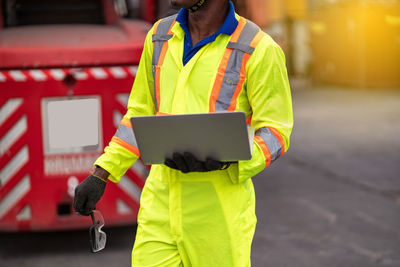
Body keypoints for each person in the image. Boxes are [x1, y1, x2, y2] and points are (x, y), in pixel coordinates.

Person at [73, 0, 293, 265]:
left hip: (217, 218)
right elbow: (138, 117)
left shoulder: (260, 49)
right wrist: (101, 174)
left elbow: (276, 132)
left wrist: (233, 158)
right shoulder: (159, 36)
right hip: (160, 207)